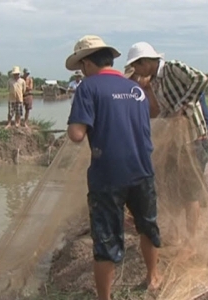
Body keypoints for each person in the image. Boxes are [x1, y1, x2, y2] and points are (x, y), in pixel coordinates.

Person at [66, 35, 161, 300]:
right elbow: (151, 114)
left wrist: (77, 122)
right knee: (148, 225)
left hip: (107, 177)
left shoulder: (88, 87)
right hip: (142, 171)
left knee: (106, 241)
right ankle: (153, 278)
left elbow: (76, 134)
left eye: (80, 67)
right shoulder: (136, 89)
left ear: (86, 64)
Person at [125, 42, 208, 251]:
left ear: (145, 62)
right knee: (171, 189)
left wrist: (184, 105)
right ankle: (176, 235)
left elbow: (202, 79)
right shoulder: (154, 83)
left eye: (137, 68)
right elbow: (164, 111)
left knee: (190, 192)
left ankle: (191, 242)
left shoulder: (172, 68)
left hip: (193, 139)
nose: (137, 73)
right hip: (175, 141)